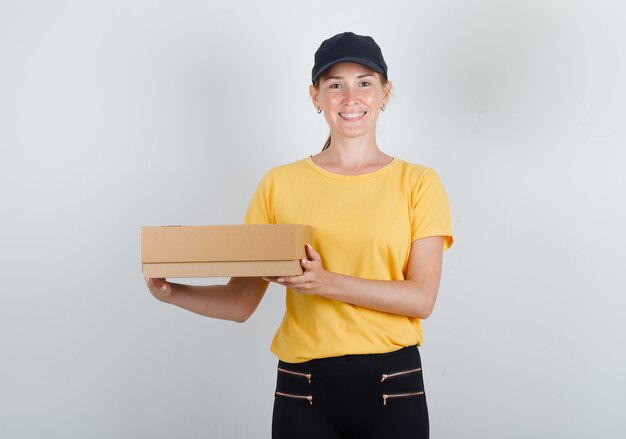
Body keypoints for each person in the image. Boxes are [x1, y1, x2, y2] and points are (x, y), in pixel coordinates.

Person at [146, 31, 453, 439]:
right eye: (335, 86)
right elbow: (241, 302)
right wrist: (173, 292)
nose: (350, 98)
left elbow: (421, 298)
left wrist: (326, 283)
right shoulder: (279, 185)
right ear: (315, 96)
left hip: (392, 386)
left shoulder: (418, 183)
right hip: (303, 390)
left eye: (364, 83)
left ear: (385, 93)